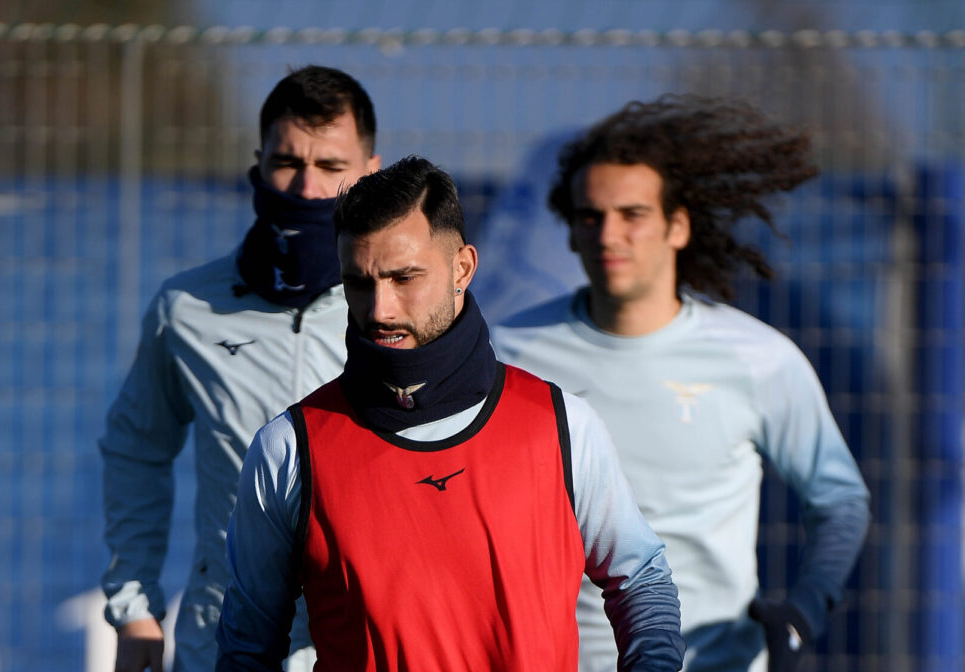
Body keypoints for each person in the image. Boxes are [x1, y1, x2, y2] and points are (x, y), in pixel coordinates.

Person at [215, 156, 686, 672]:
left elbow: (640, 579)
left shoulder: (561, 426)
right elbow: (248, 644)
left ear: (463, 267)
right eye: (359, 282)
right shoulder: (291, 447)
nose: (380, 309)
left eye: (404, 277)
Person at [490, 96, 871, 672]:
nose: (609, 235)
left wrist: (804, 611)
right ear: (570, 232)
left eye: (632, 214)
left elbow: (840, 500)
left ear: (678, 226)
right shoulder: (507, 354)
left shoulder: (759, 359)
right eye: (590, 217)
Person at [100, 65, 381, 672]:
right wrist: (135, 605)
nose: (307, 189)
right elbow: (135, 449)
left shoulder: (407, 310)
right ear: (258, 163)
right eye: (288, 163)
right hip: (220, 640)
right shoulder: (187, 308)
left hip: (364, 642)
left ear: (370, 173)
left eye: (332, 168)